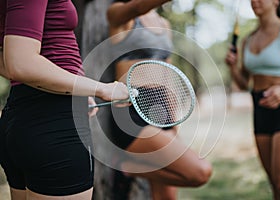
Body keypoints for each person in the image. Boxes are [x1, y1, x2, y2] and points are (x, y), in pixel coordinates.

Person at [0, 0, 130, 199]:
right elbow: (21, 63)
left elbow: (8, 61)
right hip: (54, 124)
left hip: (20, 119)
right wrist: (102, 89)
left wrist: (74, 90)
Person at [101, 0, 212, 199]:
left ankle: (128, 167)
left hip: (162, 108)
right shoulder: (119, 14)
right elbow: (137, 7)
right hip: (131, 112)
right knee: (199, 172)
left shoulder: (164, 24)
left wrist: (173, 122)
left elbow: (167, 73)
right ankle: (125, 167)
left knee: (166, 197)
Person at [225, 0, 280, 199]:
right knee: (275, 186)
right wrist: (232, 67)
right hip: (259, 109)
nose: (254, 1)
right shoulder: (247, 40)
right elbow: (243, 84)